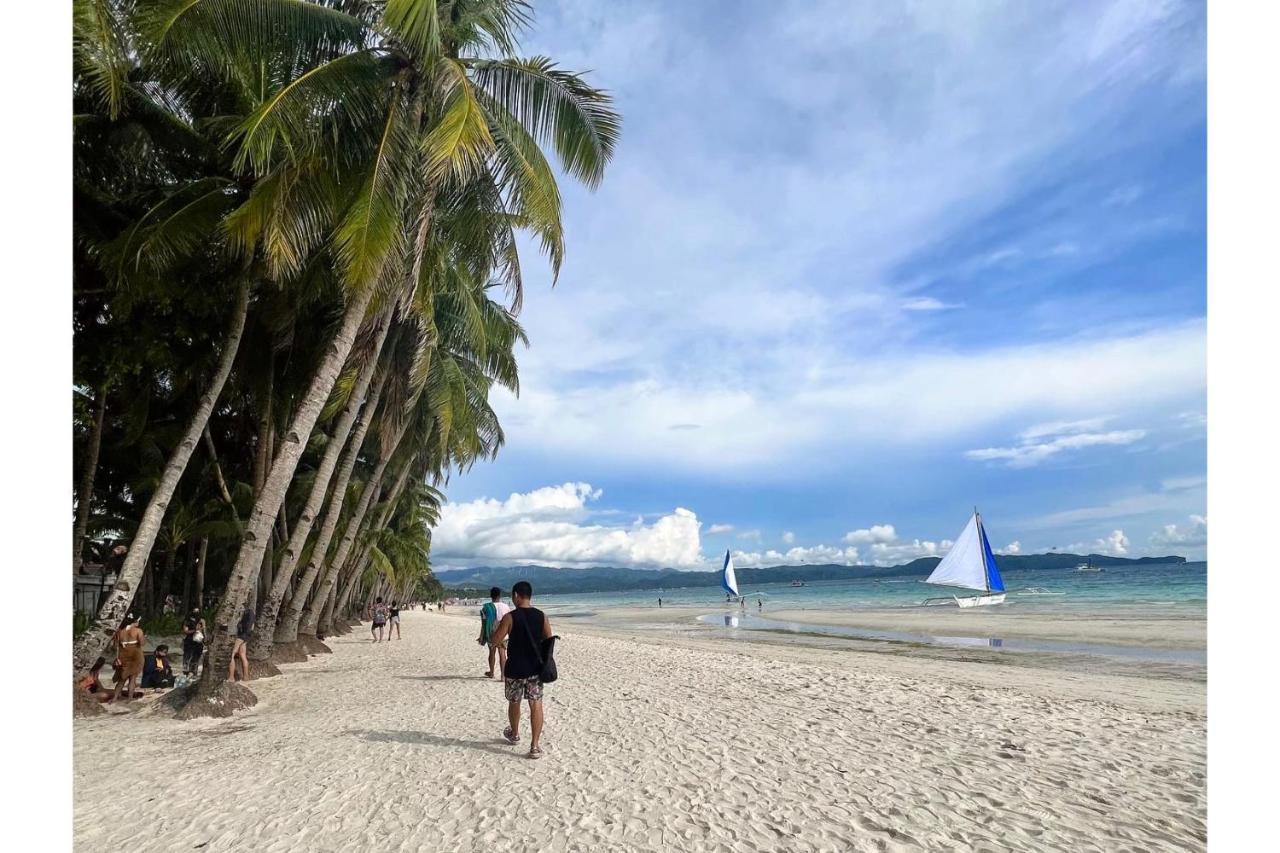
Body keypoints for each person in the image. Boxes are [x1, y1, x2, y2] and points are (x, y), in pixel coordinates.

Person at [490, 581, 553, 760]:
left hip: (515, 669)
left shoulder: (510, 617)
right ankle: (534, 746)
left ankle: (515, 734)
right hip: (534, 669)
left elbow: (495, 640)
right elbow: (548, 641)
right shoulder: (542, 616)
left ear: (517, 595)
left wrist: (501, 636)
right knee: (536, 704)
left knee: (514, 702)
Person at [477, 587, 511, 679]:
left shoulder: (486, 607)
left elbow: (484, 623)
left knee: (492, 653)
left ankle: (491, 673)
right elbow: (510, 621)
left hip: (491, 634)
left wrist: (481, 636)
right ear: (500, 595)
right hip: (503, 633)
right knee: (502, 654)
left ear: (491, 596)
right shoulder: (506, 606)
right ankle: (503, 676)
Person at [110, 614, 145, 702]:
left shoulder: (119, 631)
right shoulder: (138, 631)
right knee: (132, 678)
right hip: (135, 655)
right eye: (138, 621)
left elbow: (114, 646)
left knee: (122, 679)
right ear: (135, 621)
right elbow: (142, 643)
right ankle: (129, 698)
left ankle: (114, 698)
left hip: (123, 656)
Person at [229, 605, 253, 682]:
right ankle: (246, 677)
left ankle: (231, 677)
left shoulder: (242, 613)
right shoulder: (250, 613)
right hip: (247, 636)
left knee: (231, 655)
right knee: (242, 655)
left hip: (241, 636)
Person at [181, 608, 205, 676]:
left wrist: (205, 639)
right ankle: (186, 672)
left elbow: (204, 631)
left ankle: (193, 672)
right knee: (187, 657)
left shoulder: (201, 621)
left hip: (199, 642)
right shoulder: (187, 621)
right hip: (189, 641)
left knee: (196, 658)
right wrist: (195, 630)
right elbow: (185, 631)